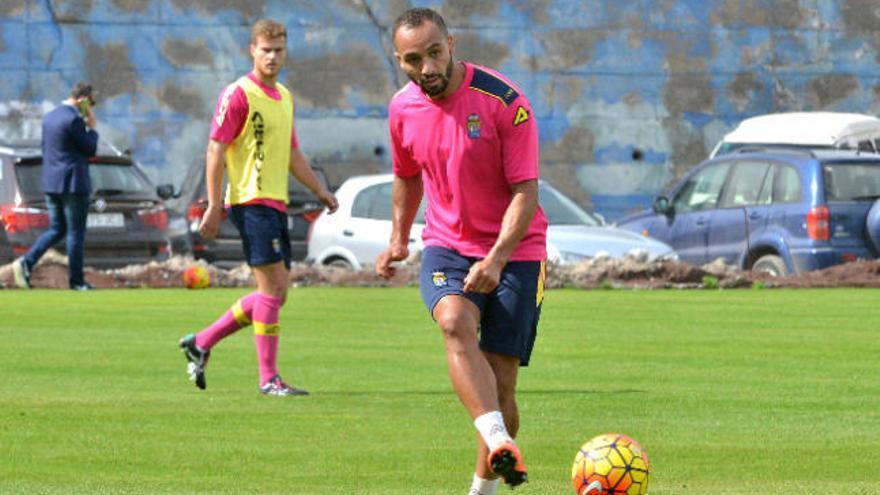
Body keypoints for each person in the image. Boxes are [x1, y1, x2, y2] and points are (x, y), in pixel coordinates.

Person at [376, 8, 548, 493]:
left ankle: (483, 486)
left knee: (500, 386)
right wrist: (397, 238)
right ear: (400, 60)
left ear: (451, 44)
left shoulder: (505, 101)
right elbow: (407, 175)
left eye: (434, 53)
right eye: (414, 60)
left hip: (518, 249)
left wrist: (495, 259)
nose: (427, 67)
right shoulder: (401, 109)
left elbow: (525, 190)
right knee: (453, 322)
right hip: (447, 245)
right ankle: (496, 437)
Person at [178, 19, 338, 396]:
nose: (272, 56)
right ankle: (268, 379)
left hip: (275, 204)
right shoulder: (238, 94)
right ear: (252, 50)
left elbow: (294, 154)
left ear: (285, 51)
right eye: (265, 49)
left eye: (278, 49)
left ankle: (200, 342)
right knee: (272, 290)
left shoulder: (283, 95)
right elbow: (216, 148)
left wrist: (320, 190)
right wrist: (215, 205)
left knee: (276, 294)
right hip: (249, 203)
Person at [13, 82, 99, 291]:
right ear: (83, 100)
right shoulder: (74, 119)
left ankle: (26, 262)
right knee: (75, 233)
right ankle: (77, 281)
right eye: (91, 103)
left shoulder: (50, 117)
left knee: (57, 228)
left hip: (52, 183)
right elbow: (90, 149)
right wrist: (92, 127)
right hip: (73, 183)